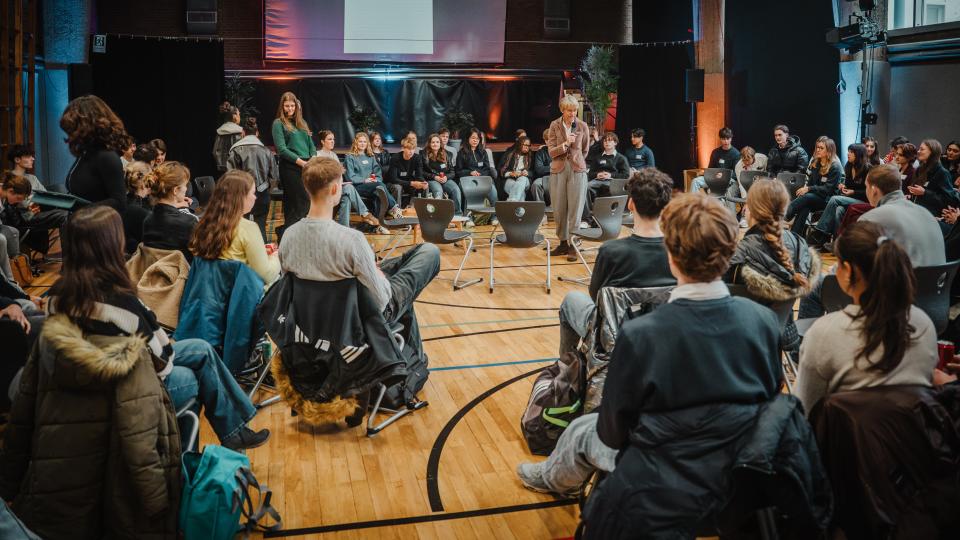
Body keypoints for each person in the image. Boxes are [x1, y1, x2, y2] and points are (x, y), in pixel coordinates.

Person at [0, 205, 269, 539]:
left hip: (81, 391)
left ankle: (233, 429)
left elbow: (23, 414)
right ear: (112, 247)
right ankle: (218, 447)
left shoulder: (55, 298)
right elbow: (164, 362)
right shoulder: (124, 304)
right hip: (128, 393)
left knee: (199, 349)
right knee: (194, 369)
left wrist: (8, 484)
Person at [517, 193, 782, 497]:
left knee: (582, 430)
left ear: (671, 255)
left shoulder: (641, 335)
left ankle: (556, 479)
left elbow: (613, 430)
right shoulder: (764, 320)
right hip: (738, 461)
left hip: (665, 465)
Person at [278, 155, 439, 355]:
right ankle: (414, 361)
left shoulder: (288, 236)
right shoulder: (352, 240)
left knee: (400, 267)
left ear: (306, 187)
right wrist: (380, 278)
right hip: (356, 318)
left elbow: (286, 287)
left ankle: (414, 359)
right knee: (429, 251)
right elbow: (382, 301)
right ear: (336, 189)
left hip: (313, 318)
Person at [795, 221, 937, 414]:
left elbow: (804, 411)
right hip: (913, 440)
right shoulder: (924, 325)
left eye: (837, 264)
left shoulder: (824, 334)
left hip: (845, 442)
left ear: (847, 271)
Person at [798, 165, 945, 318]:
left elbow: (845, 267)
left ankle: (806, 339)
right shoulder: (926, 213)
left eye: (866, 187)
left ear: (873, 189)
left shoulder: (874, 217)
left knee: (814, 285)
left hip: (895, 305)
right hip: (934, 305)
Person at [557, 168, 675, 358]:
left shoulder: (611, 251)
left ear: (630, 204)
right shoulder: (681, 251)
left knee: (571, 300)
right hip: (666, 332)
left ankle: (569, 370)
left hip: (616, 335)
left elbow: (597, 298)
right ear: (666, 206)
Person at [725, 179, 819, 350]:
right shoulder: (800, 244)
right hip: (784, 332)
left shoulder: (741, 254)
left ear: (749, 209)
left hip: (742, 339)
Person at [190, 170, 280, 285]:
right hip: (239, 297)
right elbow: (267, 275)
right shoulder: (248, 228)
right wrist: (275, 256)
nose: (255, 198)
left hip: (207, 294)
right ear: (241, 197)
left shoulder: (202, 224)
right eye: (253, 193)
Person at [61, 95, 129, 210]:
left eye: (73, 128)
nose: (70, 134)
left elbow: (119, 202)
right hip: (81, 223)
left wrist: (82, 209)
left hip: (98, 226)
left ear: (86, 126)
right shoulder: (86, 153)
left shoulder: (106, 156)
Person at [547, 96, 590, 261]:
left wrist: (577, 160)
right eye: (569, 110)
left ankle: (574, 243)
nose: (572, 113)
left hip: (577, 170)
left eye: (574, 110)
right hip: (558, 169)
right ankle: (563, 242)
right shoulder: (554, 125)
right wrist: (565, 144)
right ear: (562, 110)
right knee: (559, 209)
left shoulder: (582, 126)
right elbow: (551, 151)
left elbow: (585, 150)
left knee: (575, 208)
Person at [808, 143, 873, 246]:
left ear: (859, 154)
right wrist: (842, 186)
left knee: (834, 199)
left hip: (864, 201)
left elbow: (869, 191)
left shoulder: (868, 169)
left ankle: (819, 232)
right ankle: (837, 243)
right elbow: (847, 185)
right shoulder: (848, 165)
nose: (848, 154)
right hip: (849, 199)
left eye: (851, 152)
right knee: (839, 210)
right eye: (848, 151)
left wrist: (854, 192)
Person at [227, 116, 279, 238]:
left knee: (241, 229)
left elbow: (230, 176)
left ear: (243, 133)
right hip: (262, 194)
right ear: (257, 133)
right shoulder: (266, 151)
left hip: (241, 195)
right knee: (261, 228)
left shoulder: (235, 150)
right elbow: (274, 176)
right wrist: (267, 189)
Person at [272, 91, 315, 228]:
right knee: (299, 204)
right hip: (291, 167)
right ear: (282, 107)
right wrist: (303, 163)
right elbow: (281, 149)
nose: (290, 109)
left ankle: (292, 235)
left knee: (305, 203)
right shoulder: (278, 123)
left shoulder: (302, 123)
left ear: (296, 106)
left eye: (292, 106)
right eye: (287, 106)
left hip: (307, 166)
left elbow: (311, 146)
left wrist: (312, 160)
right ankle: (288, 236)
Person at [142, 161, 199, 259]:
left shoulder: (148, 220)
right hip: (182, 273)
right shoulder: (189, 222)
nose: (186, 189)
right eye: (185, 185)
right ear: (176, 190)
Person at [1, 173, 68, 255]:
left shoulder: (8, 199)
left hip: (20, 224)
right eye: (18, 199)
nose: (18, 202)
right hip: (14, 230)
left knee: (65, 213)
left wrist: (30, 213)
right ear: (11, 191)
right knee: (64, 216)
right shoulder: (7, 201)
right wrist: (30, 214)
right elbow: (18, 224)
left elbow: (18, 221)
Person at [784, 137, 841, 235]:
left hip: (827, 199)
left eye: (821, 148)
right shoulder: (816, 163)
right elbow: (810, 183)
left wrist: (809, 189)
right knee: (804, 206)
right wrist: (807, 189)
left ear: (829, 150)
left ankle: (784, 216)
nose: (818, 150)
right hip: (814, 197)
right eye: (817, 147)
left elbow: (827, 189)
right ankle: (795, 235)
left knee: (806, 197)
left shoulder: (835, 166)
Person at [344, 131, 403, 224]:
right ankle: (394, 208)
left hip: (372, 186)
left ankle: (376, 223)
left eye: (364, 141)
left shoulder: (370, 157)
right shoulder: (350, 157)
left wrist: (376, 179)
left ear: (367, 143)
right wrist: (365, 180)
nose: (362, 144)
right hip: (357, 187)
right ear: (356, 142)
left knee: (379, 192)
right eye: (360, 141)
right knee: (379, 186)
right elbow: (350, 177)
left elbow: (378, 173)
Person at [908, 139, 959, 218]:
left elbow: (949, 200)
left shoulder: (942, 172)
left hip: (931, 217)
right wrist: (911, 196)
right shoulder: (919, 169)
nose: (918, 151)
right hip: (917, 213)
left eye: (922, 149)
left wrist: (925, 193)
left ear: (932, 152)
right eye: (919, 149)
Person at [455, 127, 498, 208]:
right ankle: (469, 217)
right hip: (467, 179)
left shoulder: (483, 152)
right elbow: (458, 171)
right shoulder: (462, 153)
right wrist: (470, 172)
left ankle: (494, 216)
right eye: (473, 138)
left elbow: (487, 168)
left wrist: (480, 174)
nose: (475, 140)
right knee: (470, 191)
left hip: (482, 178)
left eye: (477, 138)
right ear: (468, 138)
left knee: (493, 191)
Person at [421, 133, 463, 212]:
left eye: (437, 142)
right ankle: (437, 215)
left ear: (440, 143)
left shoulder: (448, 154)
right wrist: (434, 177)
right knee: (438, 190)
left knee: (455, 189)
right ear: (429, 143)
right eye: (433, 142)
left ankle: (458, 214)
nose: (435, 144)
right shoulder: (423, 154)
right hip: (431, 179)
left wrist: (446, 177)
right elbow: (421, 172)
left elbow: (452, 172)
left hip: (445, 179)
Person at [690, 127, 741, 193]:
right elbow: (710, 169)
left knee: (712, 190)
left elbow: (736, 173)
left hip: (728, 179)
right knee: (695, 181)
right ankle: (694, 203)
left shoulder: (736, 154)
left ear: (731, 138)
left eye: (728, 139)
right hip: (714, 178)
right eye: (723, 139)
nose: (726, 141)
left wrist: (723, 175)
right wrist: (707, 174)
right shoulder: (715, 152)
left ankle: (716, 198)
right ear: (720, 139)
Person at [388, 132, 429, 203]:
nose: (411, 152)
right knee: (398, 188)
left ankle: (421, 210)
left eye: (413, 149)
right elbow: (393, 179)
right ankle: (397, 210)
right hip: (393, 183)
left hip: (408, 181)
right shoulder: (395, 158)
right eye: (409, 149)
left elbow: (419, 175)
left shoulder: (417, 158)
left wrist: (423, 182)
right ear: (403, 148)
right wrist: (412, 183)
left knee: (425, 187)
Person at [497, 135, 535, 201]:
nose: (527, 147)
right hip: (509, 179)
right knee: (520, 192)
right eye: (525, 145)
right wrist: (510, 173)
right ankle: (520, 210)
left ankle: (510, 204)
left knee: (522, 179)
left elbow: (535, 172)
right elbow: (501, 169)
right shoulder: (509, 153)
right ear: (520, 145)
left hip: (525, 180)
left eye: (528, 145)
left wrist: (527, 173)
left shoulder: (531, 156)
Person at [213, 101, 243, 174]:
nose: (240, 117)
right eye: (239, 114)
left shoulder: (220, 132)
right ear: (234, 116)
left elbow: (215, 152)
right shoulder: (240, 132)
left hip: (223, 171)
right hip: (238, 171)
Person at [530, 128, 553, 203]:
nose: (549, 142)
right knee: (536, 184)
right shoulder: (540, 152)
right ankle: (540, 209)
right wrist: (553, 167)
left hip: (559, 177)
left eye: (551, 139)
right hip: (544, 177)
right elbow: (539, 170)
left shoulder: (562, 150)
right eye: (547, 140)